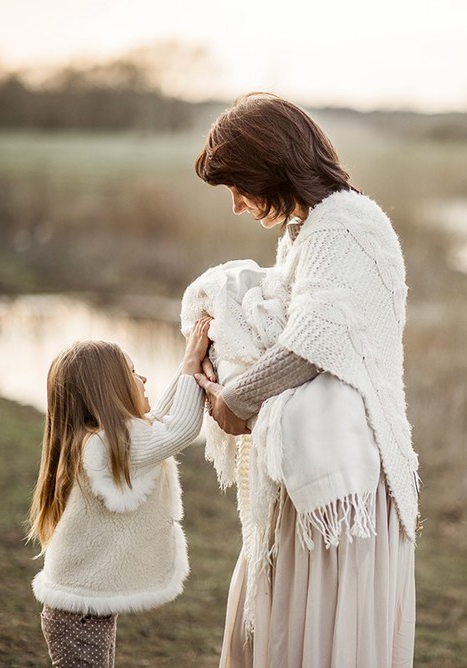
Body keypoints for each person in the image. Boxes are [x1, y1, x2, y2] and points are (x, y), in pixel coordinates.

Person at [193, 92, 419, 667]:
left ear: (272, 165)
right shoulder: (308, 230)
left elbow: (312, 342)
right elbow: (283, 319)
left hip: (346, 476)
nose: (238, 206)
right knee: (280, 628)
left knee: (315, 640)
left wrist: (235, 401)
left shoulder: (345, 224)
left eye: (240, 186)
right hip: (312, 468)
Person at [27, 319, 210, 667]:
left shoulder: (99, 440)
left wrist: (189, 362)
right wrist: (189, 366)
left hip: (78, 607)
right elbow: (180, 428)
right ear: (108, 389)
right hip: (79, 612)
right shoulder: (110, 445)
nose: (143, 379)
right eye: (133, 371)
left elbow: (160, 421)